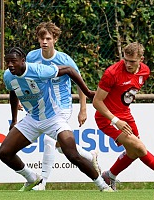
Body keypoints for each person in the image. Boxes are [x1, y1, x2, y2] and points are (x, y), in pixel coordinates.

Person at [0, 47, 113, 192]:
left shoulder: (39, 70)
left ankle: (103, 186)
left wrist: (87, 92)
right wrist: (14, 119)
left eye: (13, 61)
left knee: (72, 155)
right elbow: (13, 92)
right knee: (4, 153)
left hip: (54, 118)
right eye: (7, 62)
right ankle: (32, 178)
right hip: (32, 119)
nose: (10, 65)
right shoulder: (8, 75)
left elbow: (70, 70)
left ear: (23, 61)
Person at [92, 42, 154, 190]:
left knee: (134, 151)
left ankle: (110, 175)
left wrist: (122, 115)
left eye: (132, 61)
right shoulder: (112, 73)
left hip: (126, 115)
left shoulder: (145, 71)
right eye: (125, 60)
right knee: (140, 148)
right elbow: (97, 102)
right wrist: (115, 120)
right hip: (107, 118)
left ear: (141, 59)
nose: (128, 64)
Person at [25, 22, 100, 190]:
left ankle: (42, 182)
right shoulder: (32, 57)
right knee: (61, 147)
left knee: (50, 140)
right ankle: (90, 156)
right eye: (41, 38)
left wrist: (83, 109)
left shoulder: (64, 60)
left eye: (48, 38)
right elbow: (25, 80)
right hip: (42, 107)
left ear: (55, 39)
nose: (44, 42)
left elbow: (80, 84)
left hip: (62, 107)